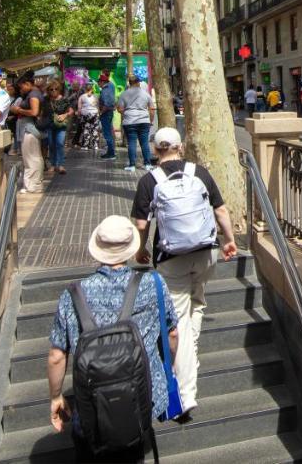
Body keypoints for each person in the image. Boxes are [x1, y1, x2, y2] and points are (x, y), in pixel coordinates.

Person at [48, 215, 179, 461]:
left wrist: (56, 396)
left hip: (93, 404)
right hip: (140, 395)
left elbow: (57, 356)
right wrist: (167, 367)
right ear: (130, 250)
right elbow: (172, 332)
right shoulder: (154, 283)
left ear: (98, 250)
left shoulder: (73, 295)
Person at [131, 128, 238, 419]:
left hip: (171, 258)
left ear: (155, 150)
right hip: (206, 253)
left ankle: (186, 393)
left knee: (177, 321)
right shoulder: (199, 172)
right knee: (198, 302)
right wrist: (229, 241)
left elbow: (141, 225)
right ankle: (189, 348)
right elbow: (222, 211)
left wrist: (141, 250)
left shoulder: (149, 180)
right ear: (181, 146)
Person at [11, 75, 45, 193]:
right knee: (33, 157)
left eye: (22, 87)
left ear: (28, 84)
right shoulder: (34, 94)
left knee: (31, 157)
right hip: (30, 128)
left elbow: (34, 112)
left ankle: (32, 185)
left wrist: (19, 110)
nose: (21, 90)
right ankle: (33, 183)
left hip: (30, 129)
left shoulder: (33, 95)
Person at [117, 75, 155, 172]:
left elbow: (120, 109)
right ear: (138, 83)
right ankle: (147, 164)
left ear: (129, 83)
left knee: (131, 143)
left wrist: (128, 112)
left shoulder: (124, 94)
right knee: (145, 143)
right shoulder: (146, 94)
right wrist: (150, 121)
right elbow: (151, 109)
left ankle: (132, 165)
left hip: (129, 122)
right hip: (143, 121)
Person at [47, 80, 73, 175]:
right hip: (49, 125)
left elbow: (71, 111)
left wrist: (65, 115)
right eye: (51, 89)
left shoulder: (64, 99)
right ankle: (53, 164)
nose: (53, 91)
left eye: (56, 89)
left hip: (61, 125)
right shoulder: (47, 99)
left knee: (60, 144)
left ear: (59, 90)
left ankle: (60, 165)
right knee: (51, 145)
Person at [97, 73, 118, 160]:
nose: (98, 84)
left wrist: (101, 112)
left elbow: (106, 104)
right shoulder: (110, 87)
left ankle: (111, 153)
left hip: (106, 113)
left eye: (99, 82)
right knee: (108, 132)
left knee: (107, 134)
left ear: (102, 82)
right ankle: (110, 152)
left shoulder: (105, 91)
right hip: (109, 113)